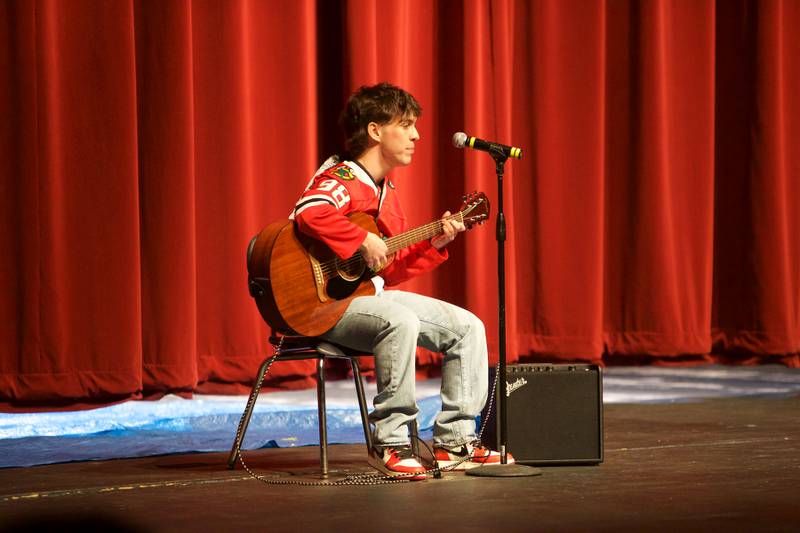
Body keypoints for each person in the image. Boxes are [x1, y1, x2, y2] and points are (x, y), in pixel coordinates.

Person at [290, 82, 512, 480]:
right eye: (406, 124)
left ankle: (455, 442)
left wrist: (436, 241)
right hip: (320, 304)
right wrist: (360, 237)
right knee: (400, 320)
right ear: (375, 131)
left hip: (363, 298)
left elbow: (388, 269)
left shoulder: (385, 192)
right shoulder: (343, 177)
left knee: (467, 328)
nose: (416, 135)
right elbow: (310, 210)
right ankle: (390, 443)